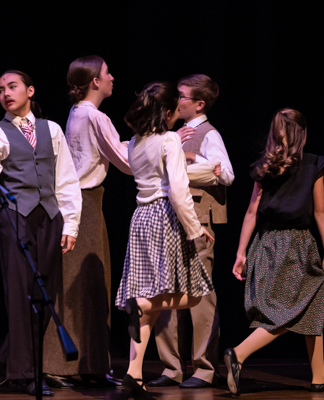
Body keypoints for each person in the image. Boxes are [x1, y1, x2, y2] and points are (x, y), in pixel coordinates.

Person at [0, 70, 82, 396]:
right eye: (0, 89)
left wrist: (71, 223)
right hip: (16, 218)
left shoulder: (52, 129)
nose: (6, 93)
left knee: (45, 293)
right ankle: (24, 375)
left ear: (30, 90)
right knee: (21, 296)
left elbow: (66, 179)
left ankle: (7, 364)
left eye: (12, 86)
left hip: (49, 217)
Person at [224, 108, 324, 395]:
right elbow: (320, 211)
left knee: (311, 302)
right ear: (302, 133)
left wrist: (241, 253)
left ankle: (319, 374)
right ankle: (239, 354)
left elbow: (251, 212)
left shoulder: (264, 167)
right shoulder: (313, 164)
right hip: (297, 245)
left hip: (266, 244)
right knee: (288, 312)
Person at [115, 82, 214, 400]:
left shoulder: (135, 141)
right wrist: (195, 227)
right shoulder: (169, 139)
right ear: (169, 112)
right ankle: (139, 304)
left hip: (140, 218)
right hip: (164, 217)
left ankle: (134, 374)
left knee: (152, 307)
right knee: (192, 296)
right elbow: (177, 189)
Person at [42, 55, 131, 387]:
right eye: (107, 73)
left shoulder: (76, 112)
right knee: (89, 285)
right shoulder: (95, 116)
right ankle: (83, 366)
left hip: (74, 202)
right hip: (86, 204)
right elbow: (125, 162)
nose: (111, 77)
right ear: (95, 81)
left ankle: (76, 364)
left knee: (75, 285)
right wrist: (163, 148)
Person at [150, 74, 234, 389]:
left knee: (199, 293)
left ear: (199, 104)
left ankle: (203, 368)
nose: (177, 100)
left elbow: (226, 175)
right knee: (166, 293)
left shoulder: (209, 134)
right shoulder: (173, 132)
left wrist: (194, 157)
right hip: (168, 218)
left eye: (182, 96)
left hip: (198, 219)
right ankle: (171, 367)